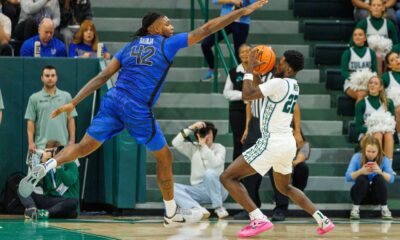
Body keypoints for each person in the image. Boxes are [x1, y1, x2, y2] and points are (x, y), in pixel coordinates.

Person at [18, 1, 269, 228]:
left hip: (113, 99)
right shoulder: (167, 43)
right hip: (136, 106)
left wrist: (73, 102)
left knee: (83, 146)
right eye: (166, 23)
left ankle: (50, 163)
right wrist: (240, 12)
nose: (171, 26)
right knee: (165, 157)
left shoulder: (129, 48)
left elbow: (103, 77)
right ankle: (171, 212)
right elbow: (206, 29)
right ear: (154, 28)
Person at [219, 48, 334, 238]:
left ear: (288, 68)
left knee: (227, 177)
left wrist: (248, 69)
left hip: (271, 143)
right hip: (286, 144)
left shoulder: (278, 83)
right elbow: (259, 91)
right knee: (285, 188)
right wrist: (255, 73)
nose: (277, 64)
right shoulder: (293, 85)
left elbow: (247, 95)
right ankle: (322, 219)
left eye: (281, 62)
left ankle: (258, 218)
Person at [172, 121, 229, 219]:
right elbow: (175, 143)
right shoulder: (193, 148)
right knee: (171, 187)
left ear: (213, 134)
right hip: (200, 190)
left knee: (209, 173)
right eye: (203, 133)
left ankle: (219, 208)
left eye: (208, 133)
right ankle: (197, 209)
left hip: (219, 189)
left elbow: (214, 164)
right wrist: (191, 128)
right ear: (197, 135)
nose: (206, 136)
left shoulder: (220, 148)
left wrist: (204, 146)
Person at [20, 140, 79, 219]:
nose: (53, 154)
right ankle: (32, 210)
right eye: (49, 151)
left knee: (72, 203)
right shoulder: (46, 166)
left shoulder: (71, 164)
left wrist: (58, 165)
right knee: (22, 189)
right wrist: (42, 163)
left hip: (65, 200)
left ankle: (44, 213)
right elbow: (37, 185)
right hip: (51, 200)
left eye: (55, 151)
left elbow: (68, 181)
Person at [200, 0, 256, 81]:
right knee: (205, 44)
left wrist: (242, 9)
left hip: (242, 22)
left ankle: (241, 79)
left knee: (239, 53)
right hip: (225, 20)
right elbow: (215, 1)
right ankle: (213, 71)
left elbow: (253, 5)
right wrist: (232, 1)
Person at [25, 65, 77, 151]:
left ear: (56, 78)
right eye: (47, 76)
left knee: (73, 165)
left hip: (63, 146)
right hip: (41, 147)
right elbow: (30, 121)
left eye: (53, 75)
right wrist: (30, 143)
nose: (50, 78)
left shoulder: (66, 96)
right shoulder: (34, 98)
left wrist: (72, 141)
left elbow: (71, 119)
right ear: (42, 78)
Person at [345, 135, 394, 220]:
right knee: (362, 178)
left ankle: (385, 209)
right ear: (364, 150)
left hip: (376, 197)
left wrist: (380, 172)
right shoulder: (357, 157)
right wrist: (361, 171)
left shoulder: (384, 159)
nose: (370, 154)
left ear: (378, 151)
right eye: (368, 151)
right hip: (360, 195)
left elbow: (392, 179)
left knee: (379, 178)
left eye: (373, 152)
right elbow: (348, 177)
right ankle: (355, 209)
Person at [268, 130, 309, 221]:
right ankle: (281, 205)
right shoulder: (280, 143)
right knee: (276, 167)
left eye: (294, 133)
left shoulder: (304, 144)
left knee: (302, 167)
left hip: (293, 169)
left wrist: (286, 163)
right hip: (282, 168)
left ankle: (298, 192)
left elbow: (298, 160)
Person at [355, 76, 395, 161]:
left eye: (376, 83)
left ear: (381, 87)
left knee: (388, 135)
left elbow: (392, 124)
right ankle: (376, 164)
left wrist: (382, 129)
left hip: (385, 134)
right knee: (378, 134)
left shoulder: (389, 103)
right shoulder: (361, 103)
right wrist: (374, 129)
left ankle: (388, 167)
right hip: (366, 135)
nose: (372, 85)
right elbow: (358, 128)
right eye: (370, 83)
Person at [223, 43, 251, 160]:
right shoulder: (234, 72)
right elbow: (227, 92)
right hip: (237, 111)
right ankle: (236, 175)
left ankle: (250, 174)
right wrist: (243, 95)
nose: (245, 54)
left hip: (255, 111)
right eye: (242, 52)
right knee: (238, 141)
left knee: (252, 141)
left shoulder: (258, 71)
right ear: (239, 55)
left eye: (248, 51)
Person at [341, 28, 378, 103]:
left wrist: (368, 81)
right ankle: (358, 115)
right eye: (355, 35)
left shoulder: (371, 52)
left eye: (360, 35)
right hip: (351, 83)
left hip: (368, 82)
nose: (357, 37)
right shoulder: (347, 53)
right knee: (361, 94)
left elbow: (375, 71)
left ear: (365, 38)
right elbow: (344, 72)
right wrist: (356, 79)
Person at [382, 51, 400, 136]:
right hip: (393, 108)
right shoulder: (386, 76)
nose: (397, 60)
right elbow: (380, 95)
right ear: (389, 65)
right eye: (392, 60)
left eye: (397, 57)